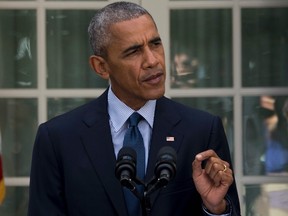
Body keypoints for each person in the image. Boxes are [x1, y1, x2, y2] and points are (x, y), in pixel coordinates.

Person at [28, 2, 241, 216]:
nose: (152, 60)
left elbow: (228, 210)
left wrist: (215, 208)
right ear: (101, 67)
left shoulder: (202, 130)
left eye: (155, 44)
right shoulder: (58, 139)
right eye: (134, 52)